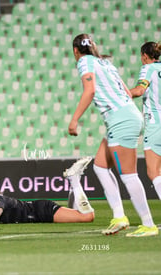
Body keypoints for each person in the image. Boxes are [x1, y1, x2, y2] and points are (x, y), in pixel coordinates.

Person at [68, 33, 158, 237]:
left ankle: (148, 224)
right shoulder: (105, 63)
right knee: (100, 166)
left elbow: (89, 91)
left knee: (129, 175)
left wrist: (75, 120)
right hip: (125, 116)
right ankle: (119, 217)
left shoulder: (84, 62)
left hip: (121, 120)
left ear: (75, 51)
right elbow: (126, 92)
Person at [0, 157, 95, 224]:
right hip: (38, 212)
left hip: (42, 211)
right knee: (76, 214)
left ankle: (74, 180)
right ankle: (73, 183)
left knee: (87, 217)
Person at [129, 41, 161, 200]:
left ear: (144, 56)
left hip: (156, 125)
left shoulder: (148, 68)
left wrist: (120, 95)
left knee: (154, 172)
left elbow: (139, 90)